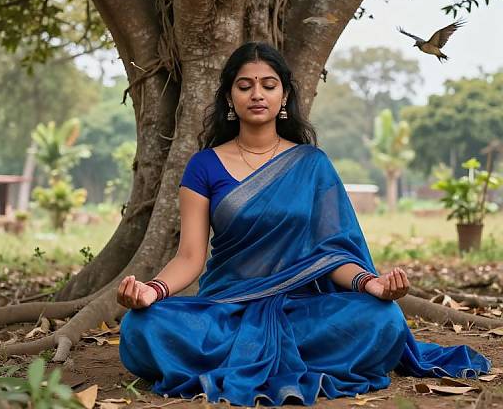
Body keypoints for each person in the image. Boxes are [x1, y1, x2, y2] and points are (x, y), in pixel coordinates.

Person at [118, 42, 491, 406]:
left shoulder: (312, 164)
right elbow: (189, 257)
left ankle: (247, 359)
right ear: (229, 98)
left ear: (284, 96)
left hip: (303, 311)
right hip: (227, 308)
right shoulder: (204, 166)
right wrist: (152, 291)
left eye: (269, 85)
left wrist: (371, 284)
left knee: (382, 318)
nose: (257, 94)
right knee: (141, 327)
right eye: (245, 86)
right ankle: (281, 357)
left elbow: (331, 253)